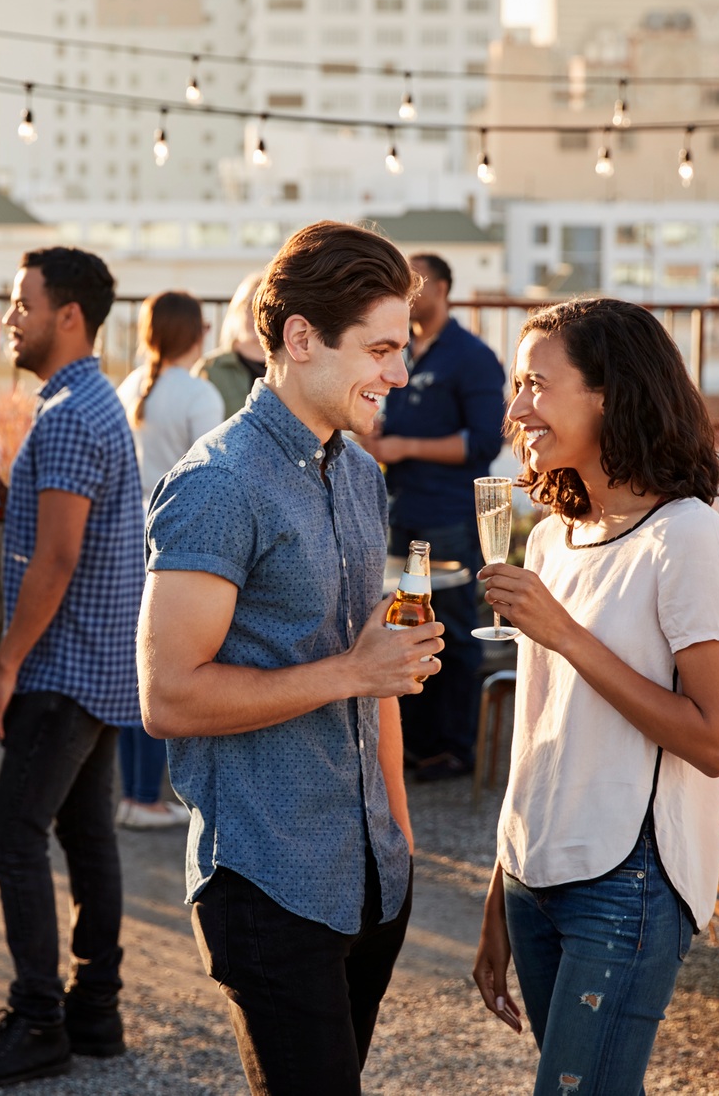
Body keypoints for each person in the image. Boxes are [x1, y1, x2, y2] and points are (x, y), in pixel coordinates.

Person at [139, 221, 445, 1096]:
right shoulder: (216, 483)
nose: (399, 373)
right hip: (268, 882)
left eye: (404, 348)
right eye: (381, 348)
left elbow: (374, 664)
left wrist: (400, 832)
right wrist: (350, 670)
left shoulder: (357, 472)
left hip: (373, 873)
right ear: (301, 338)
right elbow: (167, 696)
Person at [468, 297, 719, 1096]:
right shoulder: (553, 534)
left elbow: (716, 739)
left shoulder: (687, 536)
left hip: (626, 879)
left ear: (610, 394)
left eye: (536, 384)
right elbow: (541, 726)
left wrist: (565, 632)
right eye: (518, 385)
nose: (517, 407)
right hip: (536, 872)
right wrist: (501, 880)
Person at [0, 247, 145, 1090]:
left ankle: (38, 1020)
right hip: (100, 660)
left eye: (19, 302)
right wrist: (4, 495)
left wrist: (3, 666)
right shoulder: (94, 400)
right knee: (85, 831)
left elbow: (56, 560)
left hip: (62, 666)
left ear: (67, 315)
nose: (7, 318)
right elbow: (68, 531)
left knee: (10, 831)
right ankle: (95, 1009)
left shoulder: (66, 415)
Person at [360, 252, 506, 783]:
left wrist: (403, 446)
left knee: (454, 632)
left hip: (446, 514)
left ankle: (454, 748)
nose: (407, 291)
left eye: (416, 282)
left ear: (443, 288)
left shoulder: (471, 357)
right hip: (397, 512)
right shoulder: (402, 351)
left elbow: (484, 442)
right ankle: (414, 746)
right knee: (404, 628)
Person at [112, 290, 223, 831]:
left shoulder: (130, 385)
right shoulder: (198, 395)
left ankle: (134, 794)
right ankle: (150, 797)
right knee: (179, 670)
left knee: (142, 668)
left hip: (128, 534)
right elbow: (213, 476)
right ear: (198, 332)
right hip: (181, 542)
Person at [194, 270, 265, 416]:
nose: (255, 315)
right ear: (237, 309)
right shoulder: (210, 368)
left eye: (264, 307)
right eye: (249, 306)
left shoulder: (291, 368)